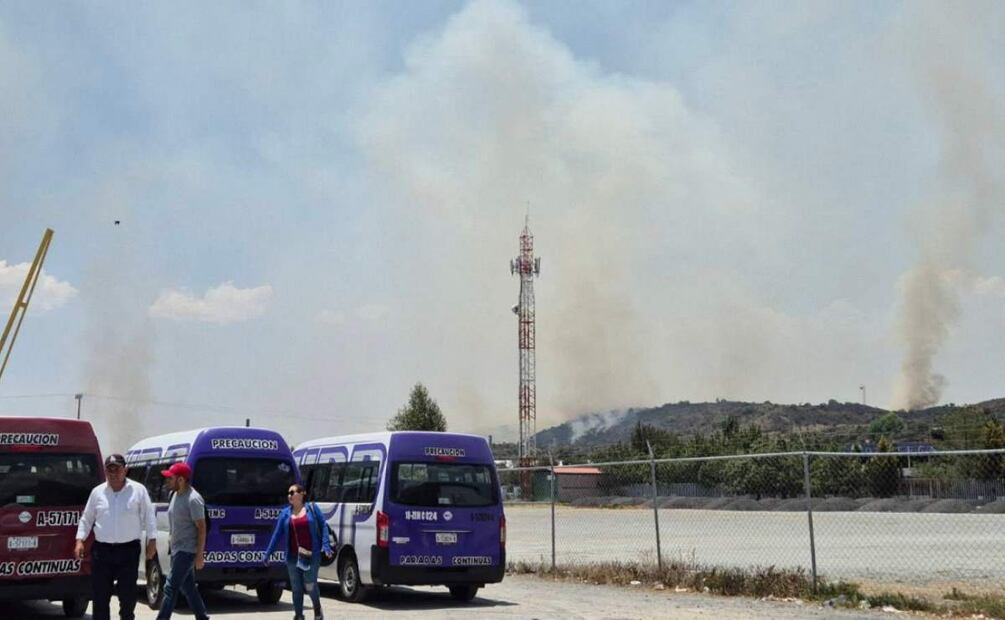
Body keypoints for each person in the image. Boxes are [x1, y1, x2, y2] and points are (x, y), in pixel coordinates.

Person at [75, 453, 158, 620]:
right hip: (102, 551)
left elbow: (149, 516)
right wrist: (80, 540)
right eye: (109, 470)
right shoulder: (97, 492)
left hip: (128, 551)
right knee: (100, 597)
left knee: (127, 598)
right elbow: (87, 518)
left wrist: (152, 541)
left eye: (117, 469)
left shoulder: (138, 490)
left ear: (125, 470)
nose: (113, 474)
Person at [264, 483, 333, 620]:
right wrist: (268, 553)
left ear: (302, 494)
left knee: (309, 585)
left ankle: (317, 607)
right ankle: (299, 615)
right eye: (288, 493)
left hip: (311, 555)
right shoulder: (285, 514)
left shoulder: (312, 509)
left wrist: (325, 545)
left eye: (292, 492)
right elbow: (277, 534)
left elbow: (323, 526)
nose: (289, 495)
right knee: (296, 588)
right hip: (293, 557)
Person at [155, 462, 210, 620]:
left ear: (181, 480)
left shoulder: (193, 499)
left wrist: (199, 555)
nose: (167, 481)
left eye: (170, 478)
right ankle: (202, 617)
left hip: (187, 551)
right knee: (188, 588)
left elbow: (202, 528)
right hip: (177, 549)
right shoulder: (175, 495)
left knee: (170, 587)